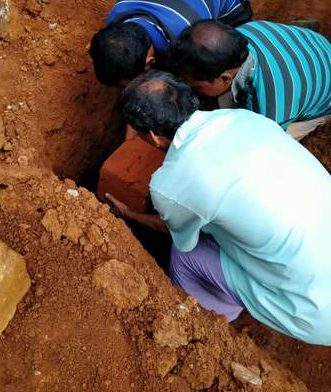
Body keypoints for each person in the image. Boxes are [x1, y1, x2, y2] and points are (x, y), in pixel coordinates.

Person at [107, 70, 331, 344]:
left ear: (154, 137)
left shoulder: (170, 184)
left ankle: (200, 325)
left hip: (313, 311)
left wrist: (128, 216)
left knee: (184, 256)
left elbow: (178, 237)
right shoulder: (246, 118)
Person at [90, 0, 252, 87]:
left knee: (228, 45)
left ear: (150, 62)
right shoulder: (116, 17)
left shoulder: (188, 37)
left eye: (124, 86)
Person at [168, 19, 331, 140]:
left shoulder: (272, 109)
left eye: (196, 87)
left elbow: (263, 144)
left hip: (323, 100)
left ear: (225, 78)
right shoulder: (242, 33)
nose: (190, 90)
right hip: (311, 44)